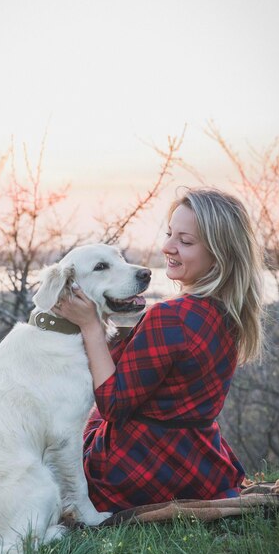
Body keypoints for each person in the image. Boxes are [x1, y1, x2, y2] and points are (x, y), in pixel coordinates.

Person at [54, 188, 264, 513]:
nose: (168, 247)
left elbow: (111, 405)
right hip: (202, 468)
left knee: (64, 438)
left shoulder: (170, 316)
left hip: (133, 472)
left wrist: (91, 327)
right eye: (170, 234)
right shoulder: (230, 313)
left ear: (220, 253)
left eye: (186, 241)